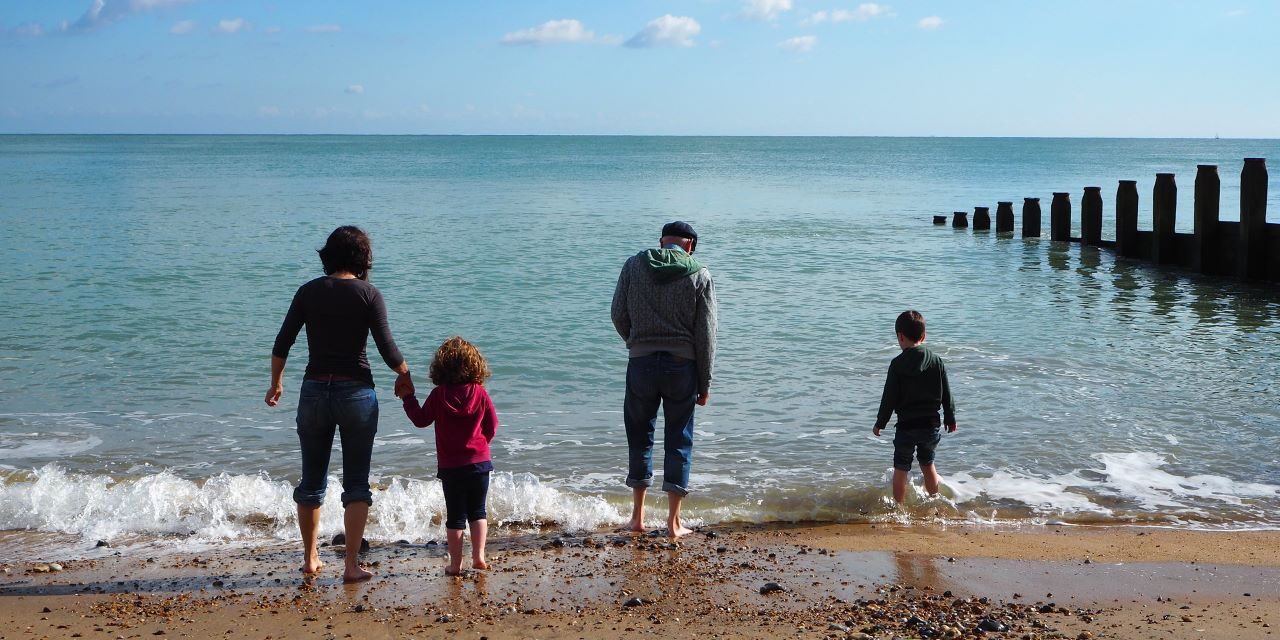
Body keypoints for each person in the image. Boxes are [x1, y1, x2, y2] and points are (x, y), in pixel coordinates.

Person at [266, 225, 415, 582]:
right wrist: (405, 374)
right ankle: (351, 566)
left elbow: (282, 343)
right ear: (363, 258)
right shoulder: (369, 294)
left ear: (328, 256)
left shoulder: (308, 292)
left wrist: (276, 383)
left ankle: (310, 558)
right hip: (356, 394)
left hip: (314, 391)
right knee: (357, 484)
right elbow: (387, 348)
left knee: (311, 481)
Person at [611, 221, 718, 538]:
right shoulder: (700, 273)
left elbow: (617, 312)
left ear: (662, 243)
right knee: (679, 440)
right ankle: (673, 523)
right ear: (689, 246)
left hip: (641, 363)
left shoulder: (634, 265)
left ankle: (637, 518)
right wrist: (705, 382)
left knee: (639, 436)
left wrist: (635, 341)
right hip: (681, 367)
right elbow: (706, 335)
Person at [402, 336, 498, 576]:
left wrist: (408, 398)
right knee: (478, 511)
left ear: (441, 367)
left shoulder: (439, 395)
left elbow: (421, 420)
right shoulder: (480, 393)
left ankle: (455, 565)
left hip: (451, 467)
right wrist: (481, 445)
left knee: (455, 517)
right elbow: (492, 425)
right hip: (479, 464)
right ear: (476, 365)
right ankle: (479, 557)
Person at [872, 310, 958, 504]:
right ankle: (935, 503)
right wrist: (950, 418)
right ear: (924, 335)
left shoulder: (897, 364)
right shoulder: (936, 361)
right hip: (930, 425)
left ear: (900, 336)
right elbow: (947, 394)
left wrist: (880, 422)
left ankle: (899, 508)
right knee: (928, 464)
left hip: (906, 426)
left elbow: (889, 398)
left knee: (901, 467)